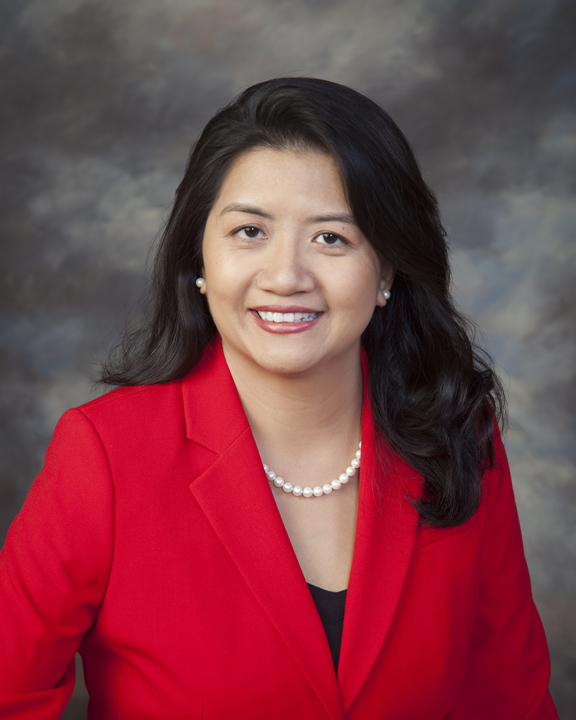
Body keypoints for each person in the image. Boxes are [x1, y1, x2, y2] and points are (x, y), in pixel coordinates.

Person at [0, 78, 558, 719]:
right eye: (248, 232)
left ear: (386, 272)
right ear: (199, 259)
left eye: (332, 238)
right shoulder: (105, 454)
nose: (286, 276)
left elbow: (509, 704)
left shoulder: (458, 437)